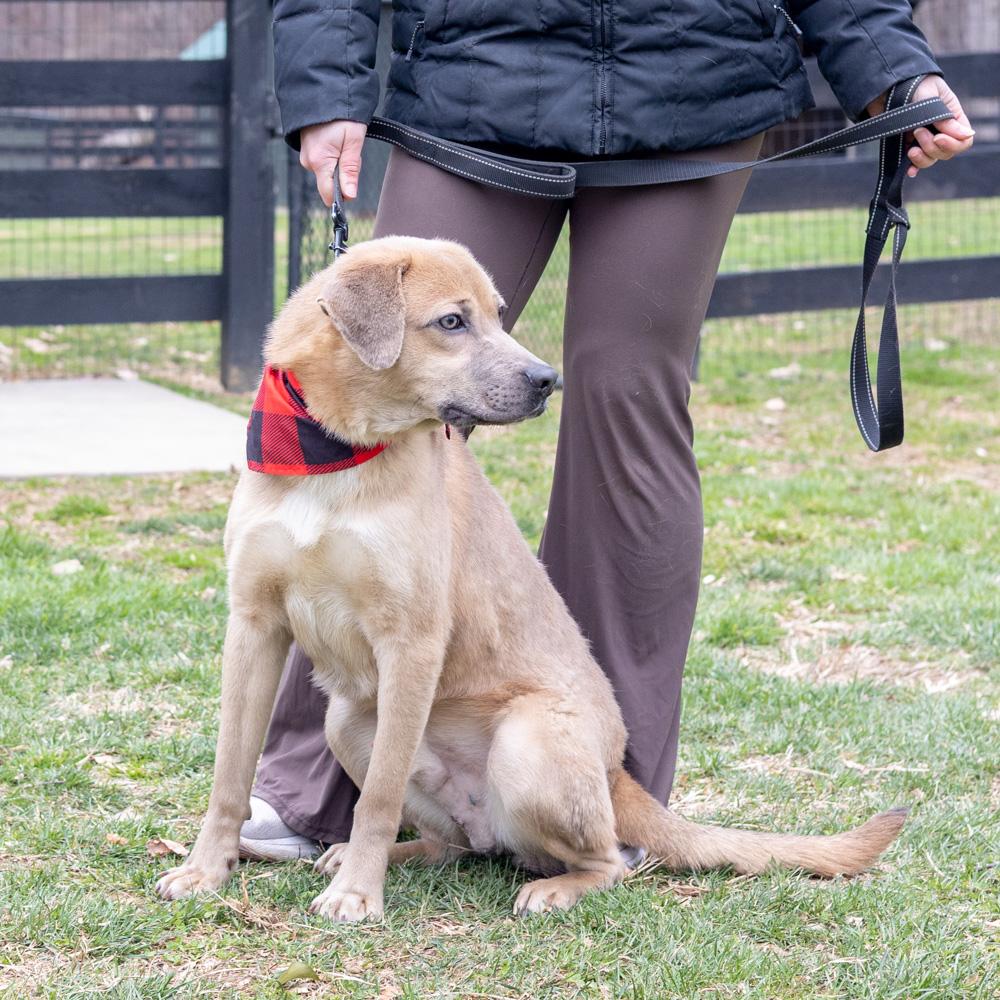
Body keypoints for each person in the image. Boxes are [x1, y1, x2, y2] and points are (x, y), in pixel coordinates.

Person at [239, 1, 974, 861]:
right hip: (479, 68)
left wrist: (894, 65)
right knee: (383, 397)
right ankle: (310, 792)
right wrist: (326, 83)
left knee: (628, 393)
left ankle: (591, 800)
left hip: (693, 76)